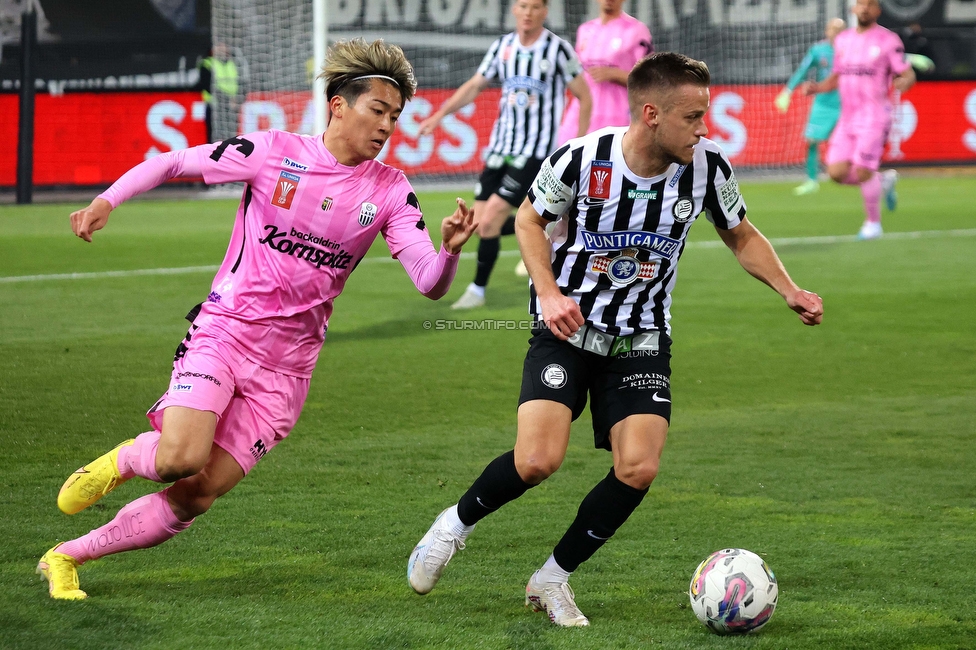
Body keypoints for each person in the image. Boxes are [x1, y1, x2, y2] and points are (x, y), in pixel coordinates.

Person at [36, 39, 478, 601]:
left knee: (199, 492)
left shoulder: (391, 192)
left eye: (395, 116)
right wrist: (107, 201)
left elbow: (429, 283)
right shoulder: (272, 152)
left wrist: (451, 252)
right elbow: (174, 161)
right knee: (179, 458)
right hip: (226, 331)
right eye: (378, 110)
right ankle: (124, 459)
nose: (388, 125)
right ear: (339, 105)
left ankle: (65, 557)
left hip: (288, 371)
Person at [407, 52, 823, 627]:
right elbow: (528, 220)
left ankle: (552, 580)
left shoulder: (708, 168)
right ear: (651, 113)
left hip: (642, 339)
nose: (705, 128)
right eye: (693, 116)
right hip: (568, 331)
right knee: (536, 461)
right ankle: (452, 526)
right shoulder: (582, 158)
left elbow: (741, 234)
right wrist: (549, 294)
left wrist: (789, 289)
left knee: (639, 468)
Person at [418, 0, 592, 309]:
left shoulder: (557, 49)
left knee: (493, 215)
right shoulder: (503, 46)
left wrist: (577, 144)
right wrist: (439, 115)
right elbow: (475, 85)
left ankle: (477, 290)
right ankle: (539, 222)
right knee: (482, 224)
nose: (528, 12)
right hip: (500, 149)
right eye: (523, 5)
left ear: (544, 11)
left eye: (535, 6)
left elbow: (584, 95)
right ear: (514, 9)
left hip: (534, 152)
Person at [803, 0, 915, 240]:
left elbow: (906, 72)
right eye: (861, 4)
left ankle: (873, 224)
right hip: (848, 117)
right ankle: (882, 181)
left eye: (870, 5)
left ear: (877, 11)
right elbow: (837, 76)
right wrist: (818, 88)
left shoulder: (888, 40)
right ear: (854, 9)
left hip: (874, 116)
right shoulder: (843, 40)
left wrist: (904, 82)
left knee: (864, 169)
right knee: (835, 172)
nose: (864, 8)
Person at [557, 0, 652, 146]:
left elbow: (648, 79)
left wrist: (615, 74)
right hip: (580, 115)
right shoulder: (585, 30)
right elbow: (576, 70)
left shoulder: (636, 30)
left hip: (616, 118)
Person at [775, 18, 846, 196]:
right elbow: (802, 70)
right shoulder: (818, 50)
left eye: (839, 29)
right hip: (823, 104)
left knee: (850, 142)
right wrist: (787, 91)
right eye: (832, 29)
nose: (835, 32)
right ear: (826, 31)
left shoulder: (851, 49)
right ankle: (812, 181)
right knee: (811, 141)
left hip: (846, 103)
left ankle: (855, 175)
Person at [198, 42, 243, 143]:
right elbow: (207, 85)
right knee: (214, 135)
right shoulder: (207, 63)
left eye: (223, 45)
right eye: (218, 46)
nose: (221, 48)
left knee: (232, 134)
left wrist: (238, 99)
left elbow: (241, 83)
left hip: (232, 106)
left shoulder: (234, 63)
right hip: (214, 106)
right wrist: (227, 100)